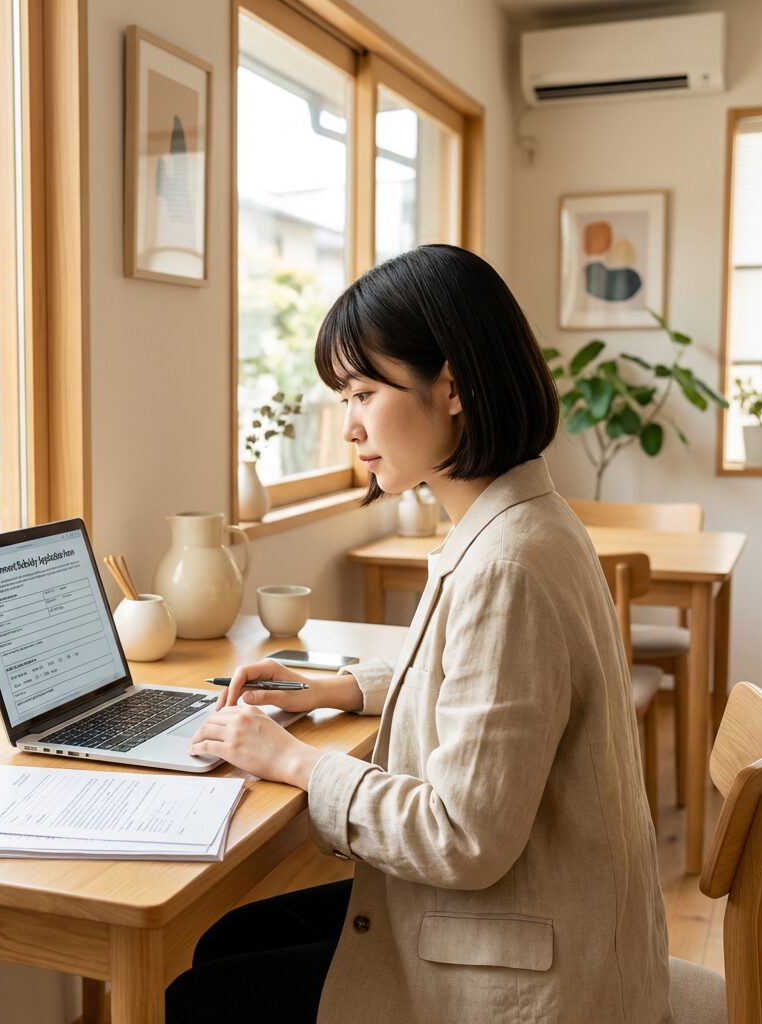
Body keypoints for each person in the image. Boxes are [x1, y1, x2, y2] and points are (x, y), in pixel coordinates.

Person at [167, 245, 673, 1024]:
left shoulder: (507, 565)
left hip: (531, 969)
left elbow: (460, 837)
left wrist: (293, 761)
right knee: (233, 941)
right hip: (543, 917)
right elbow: (483, 679)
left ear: (454, 386)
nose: (349, 427)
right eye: (344, 397)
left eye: (365, 393)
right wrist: (341, 688)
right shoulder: (523, 519)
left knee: (204, 993)